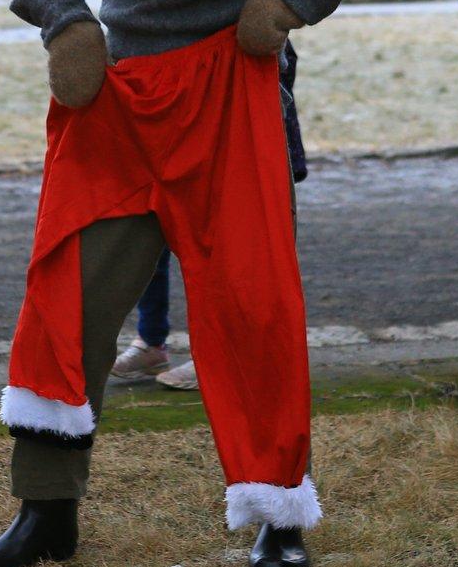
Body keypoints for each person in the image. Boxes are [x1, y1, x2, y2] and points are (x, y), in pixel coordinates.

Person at [0, 0, 424, 567]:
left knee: (253, 309)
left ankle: (276, 512)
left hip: (236, 93)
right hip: (121, 102)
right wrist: (64, 20)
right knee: (66, 295)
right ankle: (45, 510)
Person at [112, 45, 310, 392]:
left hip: (228, 87)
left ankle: (226, 354)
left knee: (229, 243)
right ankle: (151, 341)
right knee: (150, 223)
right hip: (165, 83)